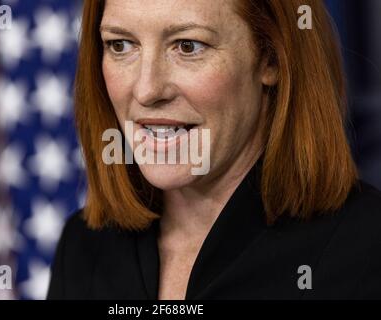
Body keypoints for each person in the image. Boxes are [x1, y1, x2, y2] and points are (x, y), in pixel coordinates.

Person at [47, 0, 381, 299]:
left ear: (271, 57)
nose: (147, 89)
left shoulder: (367, 250)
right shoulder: (83, 249)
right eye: (121, 45)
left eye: (188, 46)